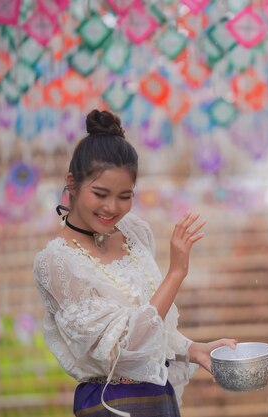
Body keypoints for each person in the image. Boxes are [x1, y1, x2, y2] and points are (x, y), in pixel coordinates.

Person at [33, 109, 236, 417]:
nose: (112, 207)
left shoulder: (133, 232)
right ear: (72, 184)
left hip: (159, 399)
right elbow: (120, 350)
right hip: (111, 406)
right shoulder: (57, 262)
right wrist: (176, 273)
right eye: (100, 193)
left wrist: (191, 349)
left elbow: (153, 322)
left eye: (125, 196)